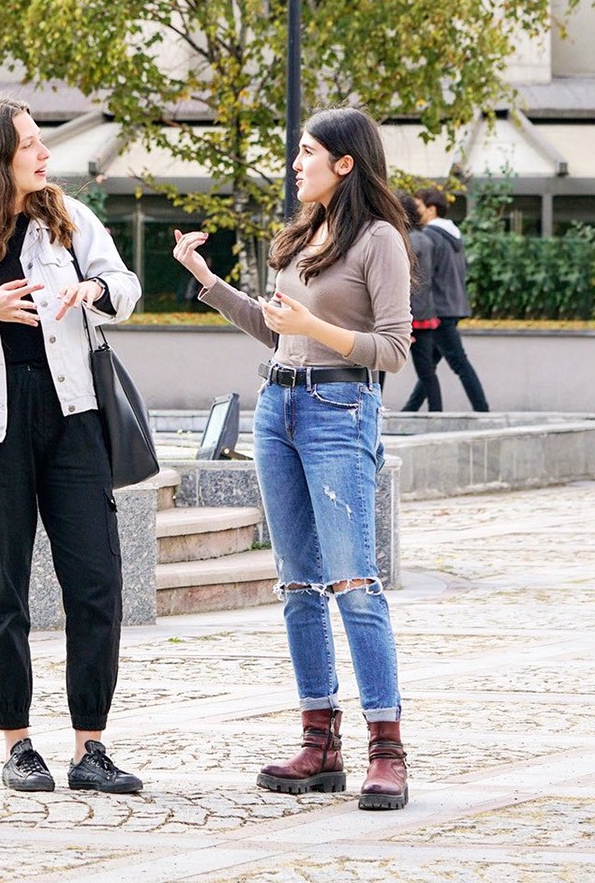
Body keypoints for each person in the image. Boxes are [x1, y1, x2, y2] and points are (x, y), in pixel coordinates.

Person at [172, 108, 415, 812]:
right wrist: (206, 279)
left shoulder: (379, 241)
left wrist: (315, 327)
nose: (295, 162)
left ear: (346, 163)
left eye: (307, 152)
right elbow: (273, 332)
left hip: (341, 410)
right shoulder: (304, 235)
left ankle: (387, 750)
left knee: (353, 583)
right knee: (297, 585)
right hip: (278, 407)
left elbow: (394, 352)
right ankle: (319, 742)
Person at [0, 97, 145, 796]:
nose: (43, 152)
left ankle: (92, 746)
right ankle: (18, 744)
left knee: (97, 583)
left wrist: (93, 287)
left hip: (74, 414)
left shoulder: (69, 218)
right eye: (28, 143)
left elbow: (127, 285)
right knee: (1, 590)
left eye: (40, 140)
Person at [409, 186, 490, 412]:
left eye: (419, 207)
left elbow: (426, 276)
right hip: (455, 305)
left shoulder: (429, 237)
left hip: (438, 309)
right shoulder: (455, 235)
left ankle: (483, 411)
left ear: (432, 209)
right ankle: (410, 410)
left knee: (458, 363)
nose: (416, 213)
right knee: (429, 366)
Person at [396, 191, 446, 412]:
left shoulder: (401, 241)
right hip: (425, 313)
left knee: (378, 370)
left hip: (405, 313)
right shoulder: (427, 239)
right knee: (427, 372)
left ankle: (376, 412)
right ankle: (437, 413)